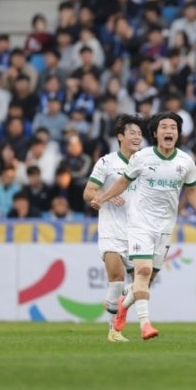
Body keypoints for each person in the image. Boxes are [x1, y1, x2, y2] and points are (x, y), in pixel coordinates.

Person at [92, 112, 196, 341]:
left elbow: (191, 191)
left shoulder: (185, 161)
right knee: (143, 271)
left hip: (165, 227)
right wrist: (104, 197)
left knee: (145, 281)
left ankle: (123, 305)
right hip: (139, 225)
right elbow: (123, 182)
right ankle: (145, 325)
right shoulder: (142, 158)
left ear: (178, 133)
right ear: (156, 133)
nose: (169, 131)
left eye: (173, 128)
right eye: (164, 127)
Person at [82, 114, 145, 343]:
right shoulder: (107, 162)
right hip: (111, 230)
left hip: (138, 231)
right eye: (132, 133)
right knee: (116, 278)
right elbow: (88, 192)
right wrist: (105, 197)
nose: (137, 137)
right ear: (120, 137)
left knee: (141, 284)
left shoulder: (146, 161)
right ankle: (113, 331)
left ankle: (111, 303)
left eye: (140, 133)